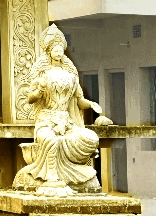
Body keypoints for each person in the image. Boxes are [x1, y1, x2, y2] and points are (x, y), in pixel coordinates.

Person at [12, 23, 110, 196]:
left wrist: (92, 105)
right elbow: (30, 99)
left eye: (60, 49)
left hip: (67, 123)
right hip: (46, 121)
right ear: (48, 51)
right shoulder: (41, 73)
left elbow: (79, 101)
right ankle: (52, 177)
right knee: (51, 140)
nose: (58, 52)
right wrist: (40, 89)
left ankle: (74, 173)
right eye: (55, 49)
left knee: (91, 139)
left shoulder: (71, 75)